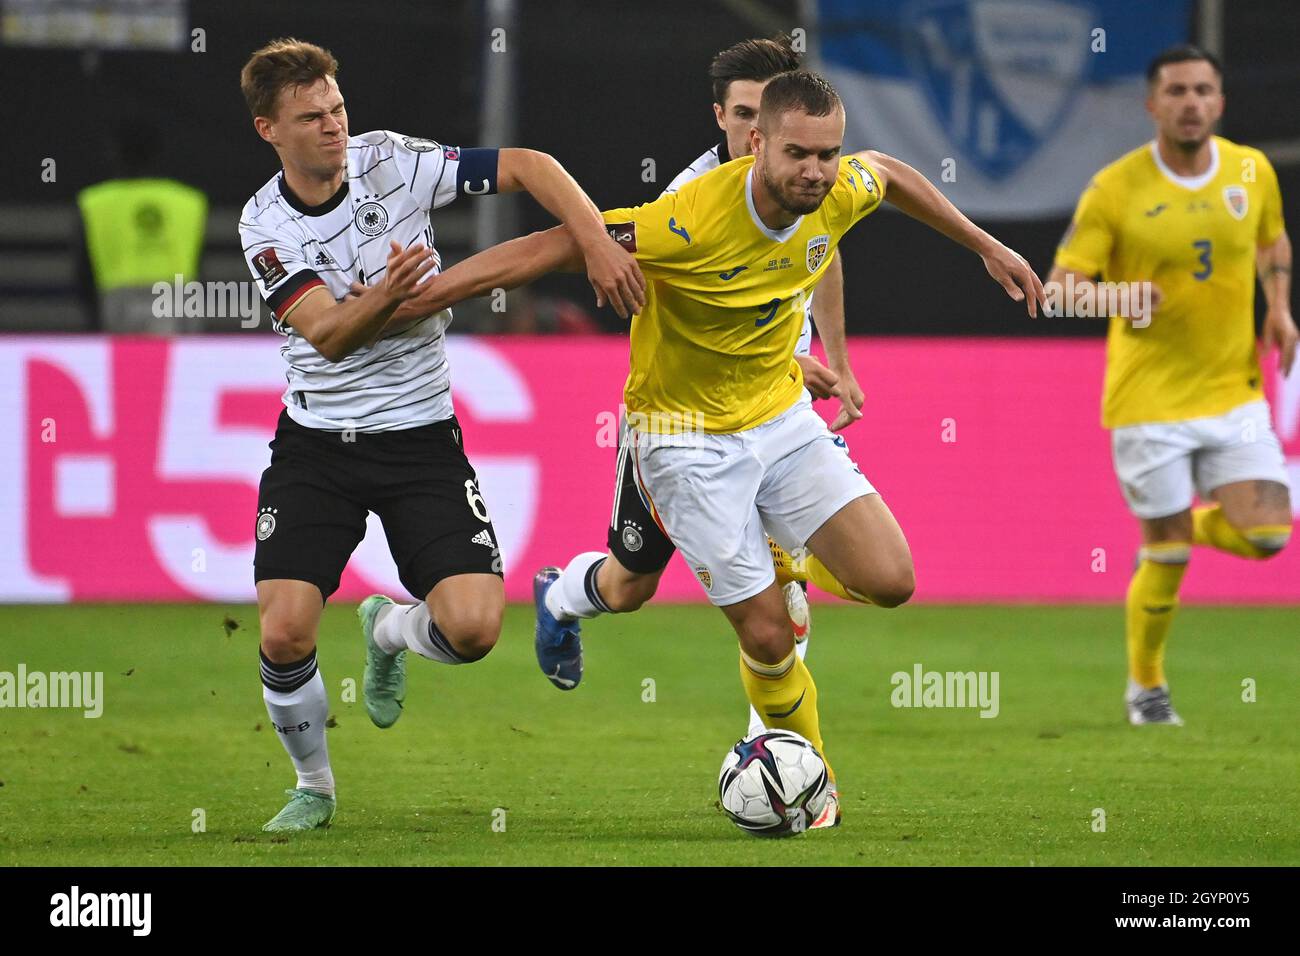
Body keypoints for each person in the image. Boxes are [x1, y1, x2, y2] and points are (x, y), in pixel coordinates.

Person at [401, 70, 1045, 827]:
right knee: (762, 627)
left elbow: (892, 176)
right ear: (756, 143)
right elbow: (549, 246)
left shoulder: (834, 191)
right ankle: (812, 789)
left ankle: (723, 607)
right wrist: (419, 300)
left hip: (777, 417)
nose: (816, 171)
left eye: (828, 154)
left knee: (891, 578)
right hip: (684, 441)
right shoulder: (691, 216)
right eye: (799, 154)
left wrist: (984, 244)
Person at [236, 37, 644, 832]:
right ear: (268, 131)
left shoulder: (394, 160)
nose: (334, 128)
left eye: (338, 109)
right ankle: (313, 787)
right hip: (318, 443)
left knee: (473, 629)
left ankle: (387, 629)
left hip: (420, 437)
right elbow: (328, 336)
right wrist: (391, 291)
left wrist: (593, 236)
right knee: (284, 632)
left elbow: (529, 164)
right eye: (312, 117)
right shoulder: (265, 225)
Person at [1049, 44, 1295, 726]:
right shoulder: (1115, 189)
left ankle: (1179, 525)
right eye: (1178, 91)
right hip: (1148, 401)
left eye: (1204, 90)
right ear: (1152, 104)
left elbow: (1273, 241)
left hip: (1232, 390)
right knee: (1168, 552)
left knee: (1270, 532)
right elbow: (1059, 293)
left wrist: (1278, 307)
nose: (1191, 102)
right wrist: (1120, 297)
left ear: (1220, 101)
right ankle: (1147, 688)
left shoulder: (1253, 170)